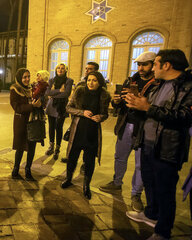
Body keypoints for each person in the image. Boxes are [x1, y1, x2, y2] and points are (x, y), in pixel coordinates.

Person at [125, 49, 192, 240]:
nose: (153, 67)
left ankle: (163, 231)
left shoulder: (187, 87)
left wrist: (147, 107)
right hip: (147, 143)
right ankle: (151, 214)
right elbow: (149, 112)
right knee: (150, 183)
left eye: (155, 63)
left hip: (167, 148)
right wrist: (135, 106)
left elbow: (184, 117)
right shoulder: (158, 85)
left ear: (167, 65)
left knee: (165, 190)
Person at [99, 51, 158, 212]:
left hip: (144, 128)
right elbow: (121, 105)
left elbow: (157, 109)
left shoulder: (157, 85)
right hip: (126, 124)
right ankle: (117, 183)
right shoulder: (131, 80)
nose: (140, 68)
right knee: (120, 157)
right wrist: (116, 101)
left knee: (140, 164)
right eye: (138, 64)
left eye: (144, 64)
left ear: (153, 65)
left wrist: (143, 104)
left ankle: (136, 195)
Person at [61, 71, 111, 200]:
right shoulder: (80, 91)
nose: (91, 83)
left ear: (99, 82)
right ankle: (68, 178)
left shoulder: (104, 95)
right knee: (72, 157)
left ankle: (86, 185)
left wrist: (101, 117)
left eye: (94, 80)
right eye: (89, 80)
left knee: (89, 161)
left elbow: (105, 113)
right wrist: (82, 112)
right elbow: (68, 108)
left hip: (92, 133)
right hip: (78, 130)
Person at [10, 68, 42, 181]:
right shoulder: (15, 89)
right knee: (20, 147)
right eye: (24, 77)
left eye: (28, 76)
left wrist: (40, 104)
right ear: (19, 78)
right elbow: (17, 107)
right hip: (21, 122)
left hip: (33, 123)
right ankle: (15, 170)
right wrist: (32, 106)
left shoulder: (32, 89)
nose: (27, 79)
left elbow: (39, 101)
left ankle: (28, 170)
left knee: (32, 148)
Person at [45, 63, 73, 160]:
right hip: (51, 106)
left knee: (59, 127)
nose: (60, 70)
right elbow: (47, 92)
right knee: (51, 127)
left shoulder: (69, 81)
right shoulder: (51, 80)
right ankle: (51, 146)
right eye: (58, 68)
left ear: (66, 70)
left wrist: (54, 94)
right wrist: (59, 90)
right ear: (56, 70)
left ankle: (57, 148)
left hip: (61, 107)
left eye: (62, 68)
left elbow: (66, 94)